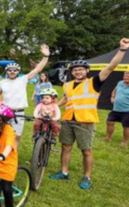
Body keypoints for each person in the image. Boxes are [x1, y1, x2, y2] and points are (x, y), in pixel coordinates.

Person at [50, 39, 129, 189]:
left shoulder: (94, 82)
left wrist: (122, 50)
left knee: (86, 151)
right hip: (68, 121)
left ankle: (87, 177)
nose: (78, 71)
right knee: (66, 147)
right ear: (71, 72)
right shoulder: (67, 85)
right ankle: (64, 172)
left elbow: (111, 66)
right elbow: (67, 98)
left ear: (87, 71)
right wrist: (55, 105)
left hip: (85, 122)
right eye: (75, 70)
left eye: (81, 69)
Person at [0, 44, 51, 149]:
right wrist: (0, 104)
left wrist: (45, 57)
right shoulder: (2, 82)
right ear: (7, 72)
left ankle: (13, 155)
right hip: (6, 112)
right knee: (4, 134)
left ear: (18, 72)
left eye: (15, 70)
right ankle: (3, 153)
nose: (12, 72)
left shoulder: (23, 79)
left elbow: (37, 70)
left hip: (19, 111)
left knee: (16, 136)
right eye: (10, 70)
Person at [105, 71, 129, 147]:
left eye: (127, 77)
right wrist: (112, 97)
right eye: (124, 76)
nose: (125, 78)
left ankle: (124, 142)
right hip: (115, 109)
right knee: (109, 122)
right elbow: (114, 91)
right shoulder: (120, 83)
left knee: (126, 126)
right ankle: (108, 138)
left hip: (127, 111)